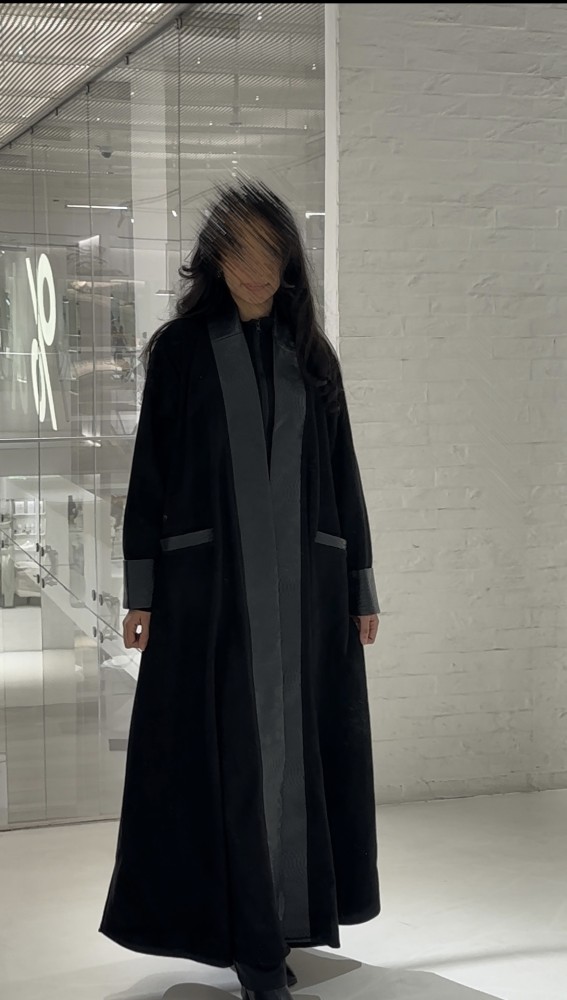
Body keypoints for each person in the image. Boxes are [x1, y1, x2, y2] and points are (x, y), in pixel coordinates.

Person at [99, 180, 381, 1000]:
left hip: (305, 598)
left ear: (289, 261)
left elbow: (344, 478)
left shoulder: (311, 357)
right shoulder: (181, 351)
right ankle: (253, 941)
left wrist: (359, 587)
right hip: (210, 598)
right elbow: (150, 472)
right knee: (224, 759)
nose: (256, 270)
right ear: (215, 259)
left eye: (270, 253)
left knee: (292, 755)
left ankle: (272, 926)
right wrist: (142, 592)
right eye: (240, 251)